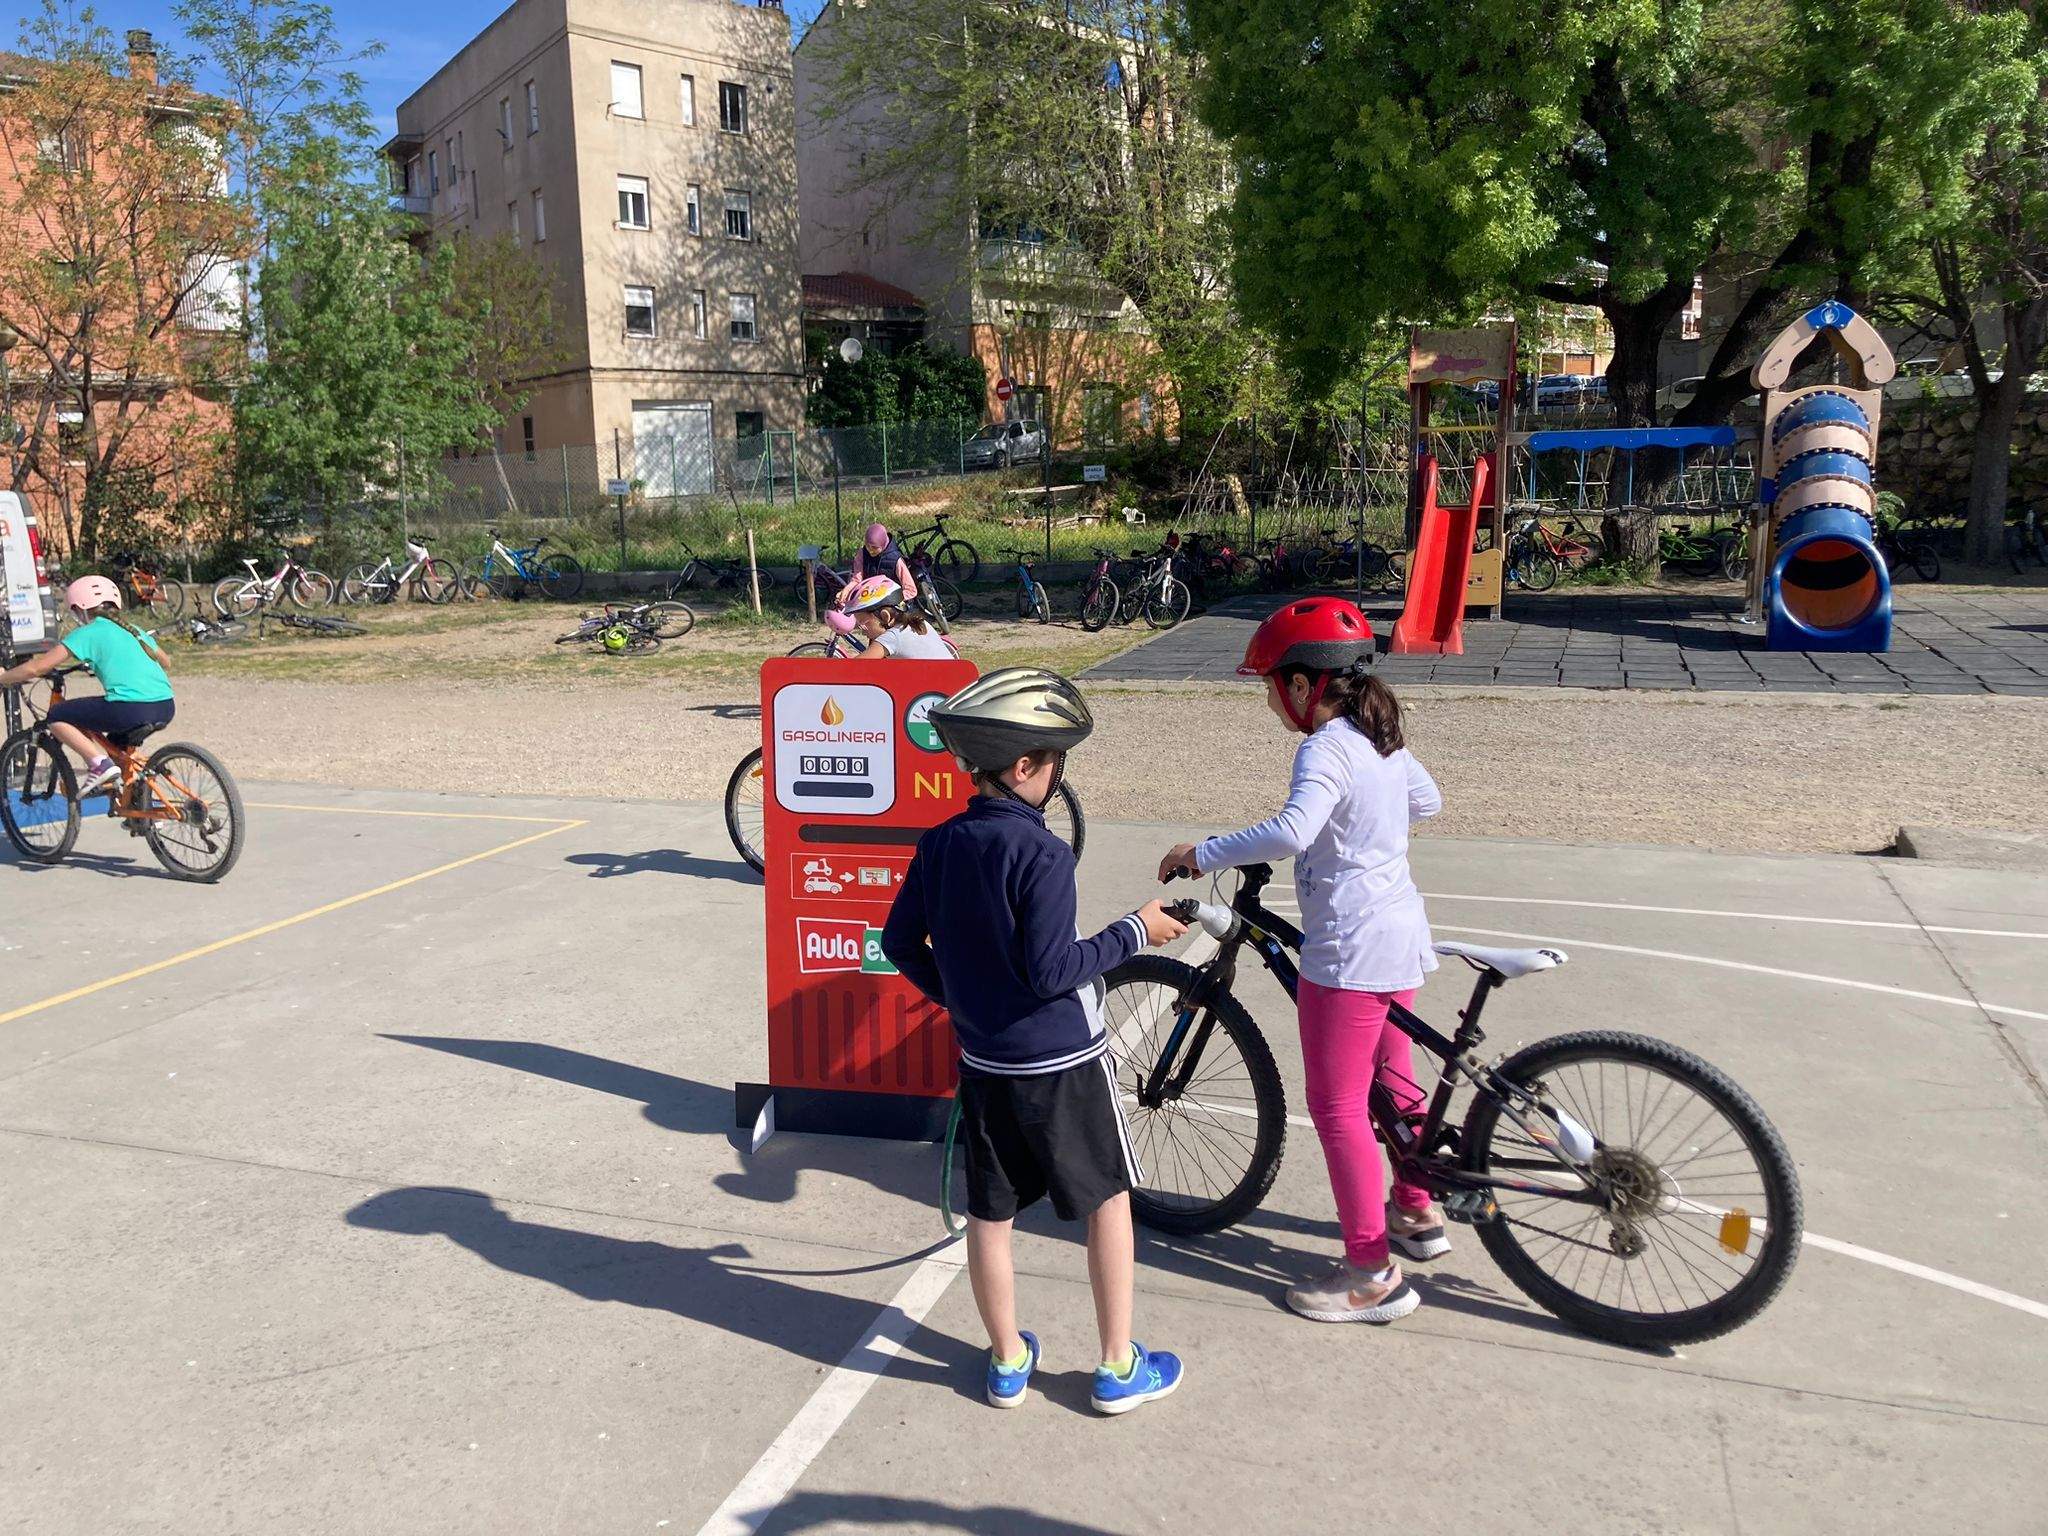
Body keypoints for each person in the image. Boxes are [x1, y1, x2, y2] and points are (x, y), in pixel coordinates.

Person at [881, 668, 1189, 1415]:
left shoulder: (941, 841)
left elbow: (899, 940)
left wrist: (962, 998)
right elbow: (1053, 969)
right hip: (1063, 1066)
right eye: (1055, 760)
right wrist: (1133, 931)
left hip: (985, 1062)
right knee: (1107, 1200)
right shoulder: (1043, 856)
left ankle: (1008, 1359)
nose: (1058, 774)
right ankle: (1118, 1367)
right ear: (1024, 767)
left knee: (992, 1213)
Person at [1157, 596, 1448, 1326]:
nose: (1270, 700)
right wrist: (1367, 835)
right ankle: (1415, 1210)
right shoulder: (1379, 737)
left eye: (1270, 685)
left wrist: (1203, 851)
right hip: (1400, 933)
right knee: (1392, 1079)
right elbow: (1428, 803)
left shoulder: (1324, 746)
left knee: (1338, 1107)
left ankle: (1371, 1273)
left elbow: (1292, 831)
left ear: (1300, 683)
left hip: (1349, 951)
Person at [0, 575, 174, 797]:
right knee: (116, 748)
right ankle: (138, 805)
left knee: (56, 715)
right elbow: (166, 661)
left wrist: (4, 678)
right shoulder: (133, 629)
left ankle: (98, 764)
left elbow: (36, 667)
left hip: (129, 708)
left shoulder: (87, 633)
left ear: (80, 609)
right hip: (165, 705)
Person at [842, 576, 956, 660]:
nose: (862, 630)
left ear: (885, 616)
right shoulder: (922, 624)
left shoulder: (891, 638)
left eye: (863, 622)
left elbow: (853, 667)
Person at [837, 522, 918, 605]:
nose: (870, 550)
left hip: (889, 602)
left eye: (874, 548)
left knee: (885, 612)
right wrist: (846, 591)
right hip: (866, 600)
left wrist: (891, 599)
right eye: (867, 546)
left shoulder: (896, 560)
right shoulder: (862, 554)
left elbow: (911, 590)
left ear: (882, 544)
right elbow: (857, 580)